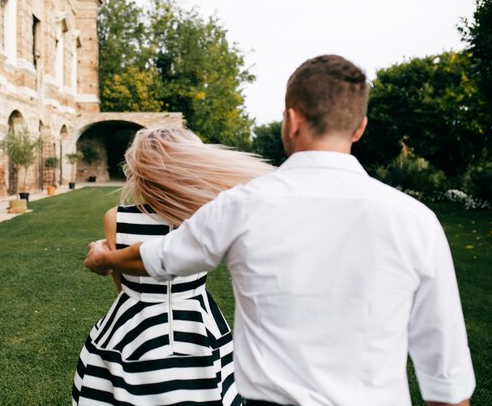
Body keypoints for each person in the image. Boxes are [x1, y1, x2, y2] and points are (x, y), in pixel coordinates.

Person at [84, 55, 476, 406]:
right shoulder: (417, 219)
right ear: (360, 128)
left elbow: (158, 257)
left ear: (291, 120)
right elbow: (447, 380)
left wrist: (105, 258)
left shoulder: (241, 206)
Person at [72, 126, 274, 406]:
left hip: (134, 323)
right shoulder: (206, 214)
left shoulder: (115, 218)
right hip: (198, 321)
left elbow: (122, 286)